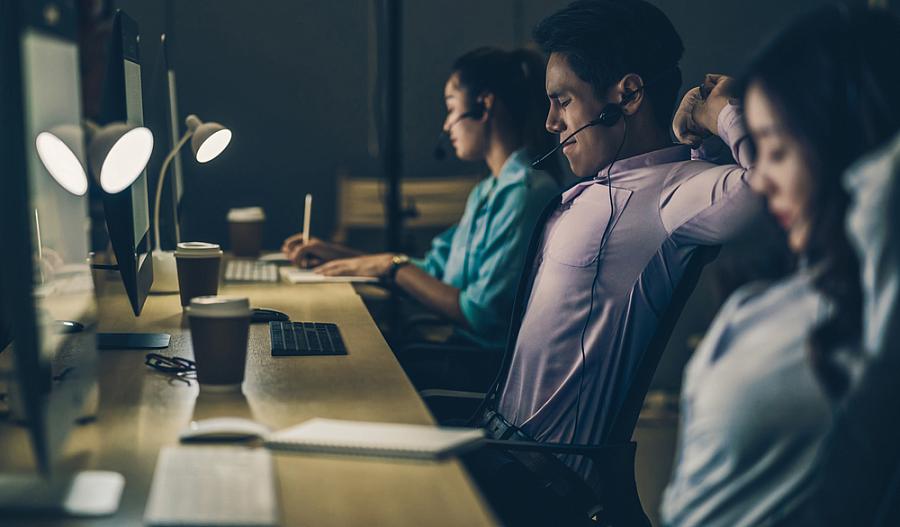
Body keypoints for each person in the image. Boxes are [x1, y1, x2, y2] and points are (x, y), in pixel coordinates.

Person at [459, 0, 763, 523]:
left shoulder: (678, 194)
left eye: (563, 101)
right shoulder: (594, 188)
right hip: (492, 449)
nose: (552, 122)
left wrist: (722, 113)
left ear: (626, 95)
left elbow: (777, 184)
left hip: (540, 487)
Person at [661, 6, 900, 527]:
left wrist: (723, 113)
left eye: (778, 149)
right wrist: (715, 125)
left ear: (846, 150)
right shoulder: (777, 296)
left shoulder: (880, 318)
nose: (761, 179)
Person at [281, 47, 559, 351]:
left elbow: (480, 315)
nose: (446, 124)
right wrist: (338, 255)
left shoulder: (524, 194)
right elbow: (433, 272)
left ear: (483, 106)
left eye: (451, 108)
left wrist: (391, 266)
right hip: (453, 352)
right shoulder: (486, 191)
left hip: (475, 369)